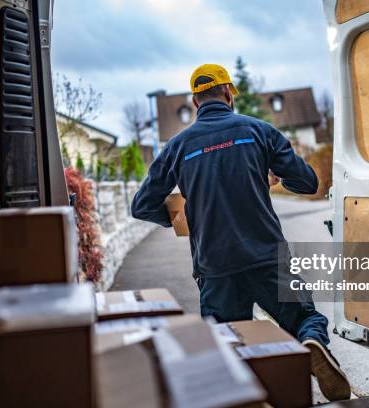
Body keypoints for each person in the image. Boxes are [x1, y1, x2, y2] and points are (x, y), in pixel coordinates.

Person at [131, 63, 351, 401]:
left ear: (194, 101)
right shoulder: (259, 131)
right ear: (229, 94)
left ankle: (243, 392)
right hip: (267, 257)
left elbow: (142, 205)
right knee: (304, 316)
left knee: (226, 341)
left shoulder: (177, 147)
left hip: (215, 266)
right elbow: (307, 182)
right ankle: (311, 343)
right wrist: (273, 176)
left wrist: (180, 218)